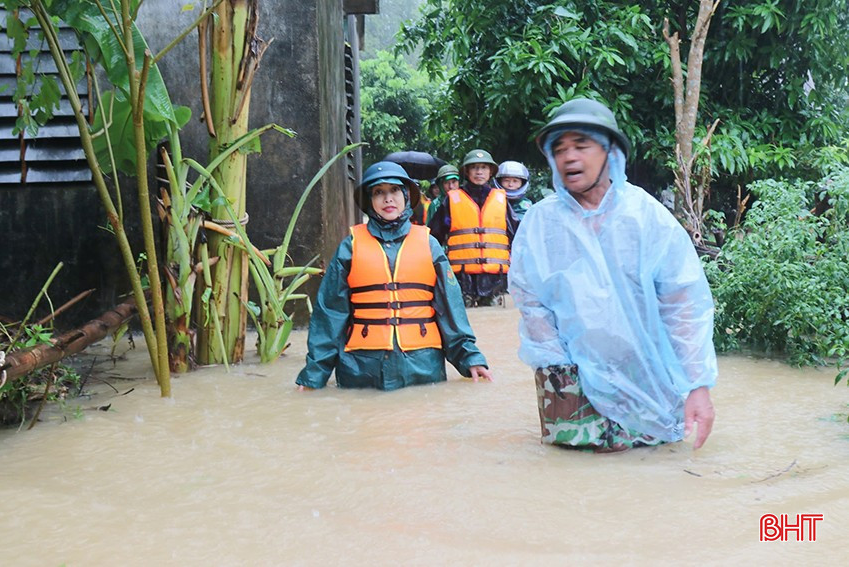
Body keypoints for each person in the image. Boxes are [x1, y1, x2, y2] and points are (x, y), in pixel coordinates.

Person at [509, 98, 717, 452]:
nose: (569, 157)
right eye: (559, 149)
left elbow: (683, 305)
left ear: (611, 153)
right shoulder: (540, 224)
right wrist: (563, 369)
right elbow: (530, 300)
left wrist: (697, 385)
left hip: (645, 373)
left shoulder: (647, 217)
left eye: (582, 145)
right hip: (566, 378)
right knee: (572, 477)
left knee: (653, 468)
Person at [296, 161, 494, 391]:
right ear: (370, 201)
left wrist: (470, 358)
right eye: (379, 192)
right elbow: (330, 313)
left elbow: (450, 308)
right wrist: (314, 375)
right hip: (361, 366)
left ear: (407, 196)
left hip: (422, 365)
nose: (388, 199)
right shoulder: (350, 246)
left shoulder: (429, 244)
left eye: (395, 191)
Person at [428, 149, 519, 307]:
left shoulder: (501, 200)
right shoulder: (452, 200)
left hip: (495, 278)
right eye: (474, 167)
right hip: (462, 279)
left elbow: (518, 237)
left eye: (484, 167)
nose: (479, 172)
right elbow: (433, 237)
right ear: (467, 172)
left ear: (490, 172)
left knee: (494, 325)